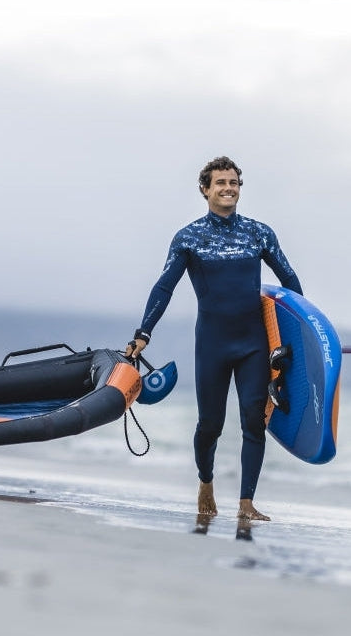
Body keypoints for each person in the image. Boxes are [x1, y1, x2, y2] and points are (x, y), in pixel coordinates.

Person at [126, 156, 302, 527]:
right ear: (205, 190)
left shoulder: (259, 233)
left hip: (253, 342)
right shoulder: (188, 238)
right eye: (220, 182)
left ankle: (246, 502)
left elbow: (289, 279)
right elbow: (164, 287)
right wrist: (144, 333)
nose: (228, 188)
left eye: (233, 182)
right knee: (210, 424)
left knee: (254, 420)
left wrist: (303, 333)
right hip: (212, 344)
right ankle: (206, 483)